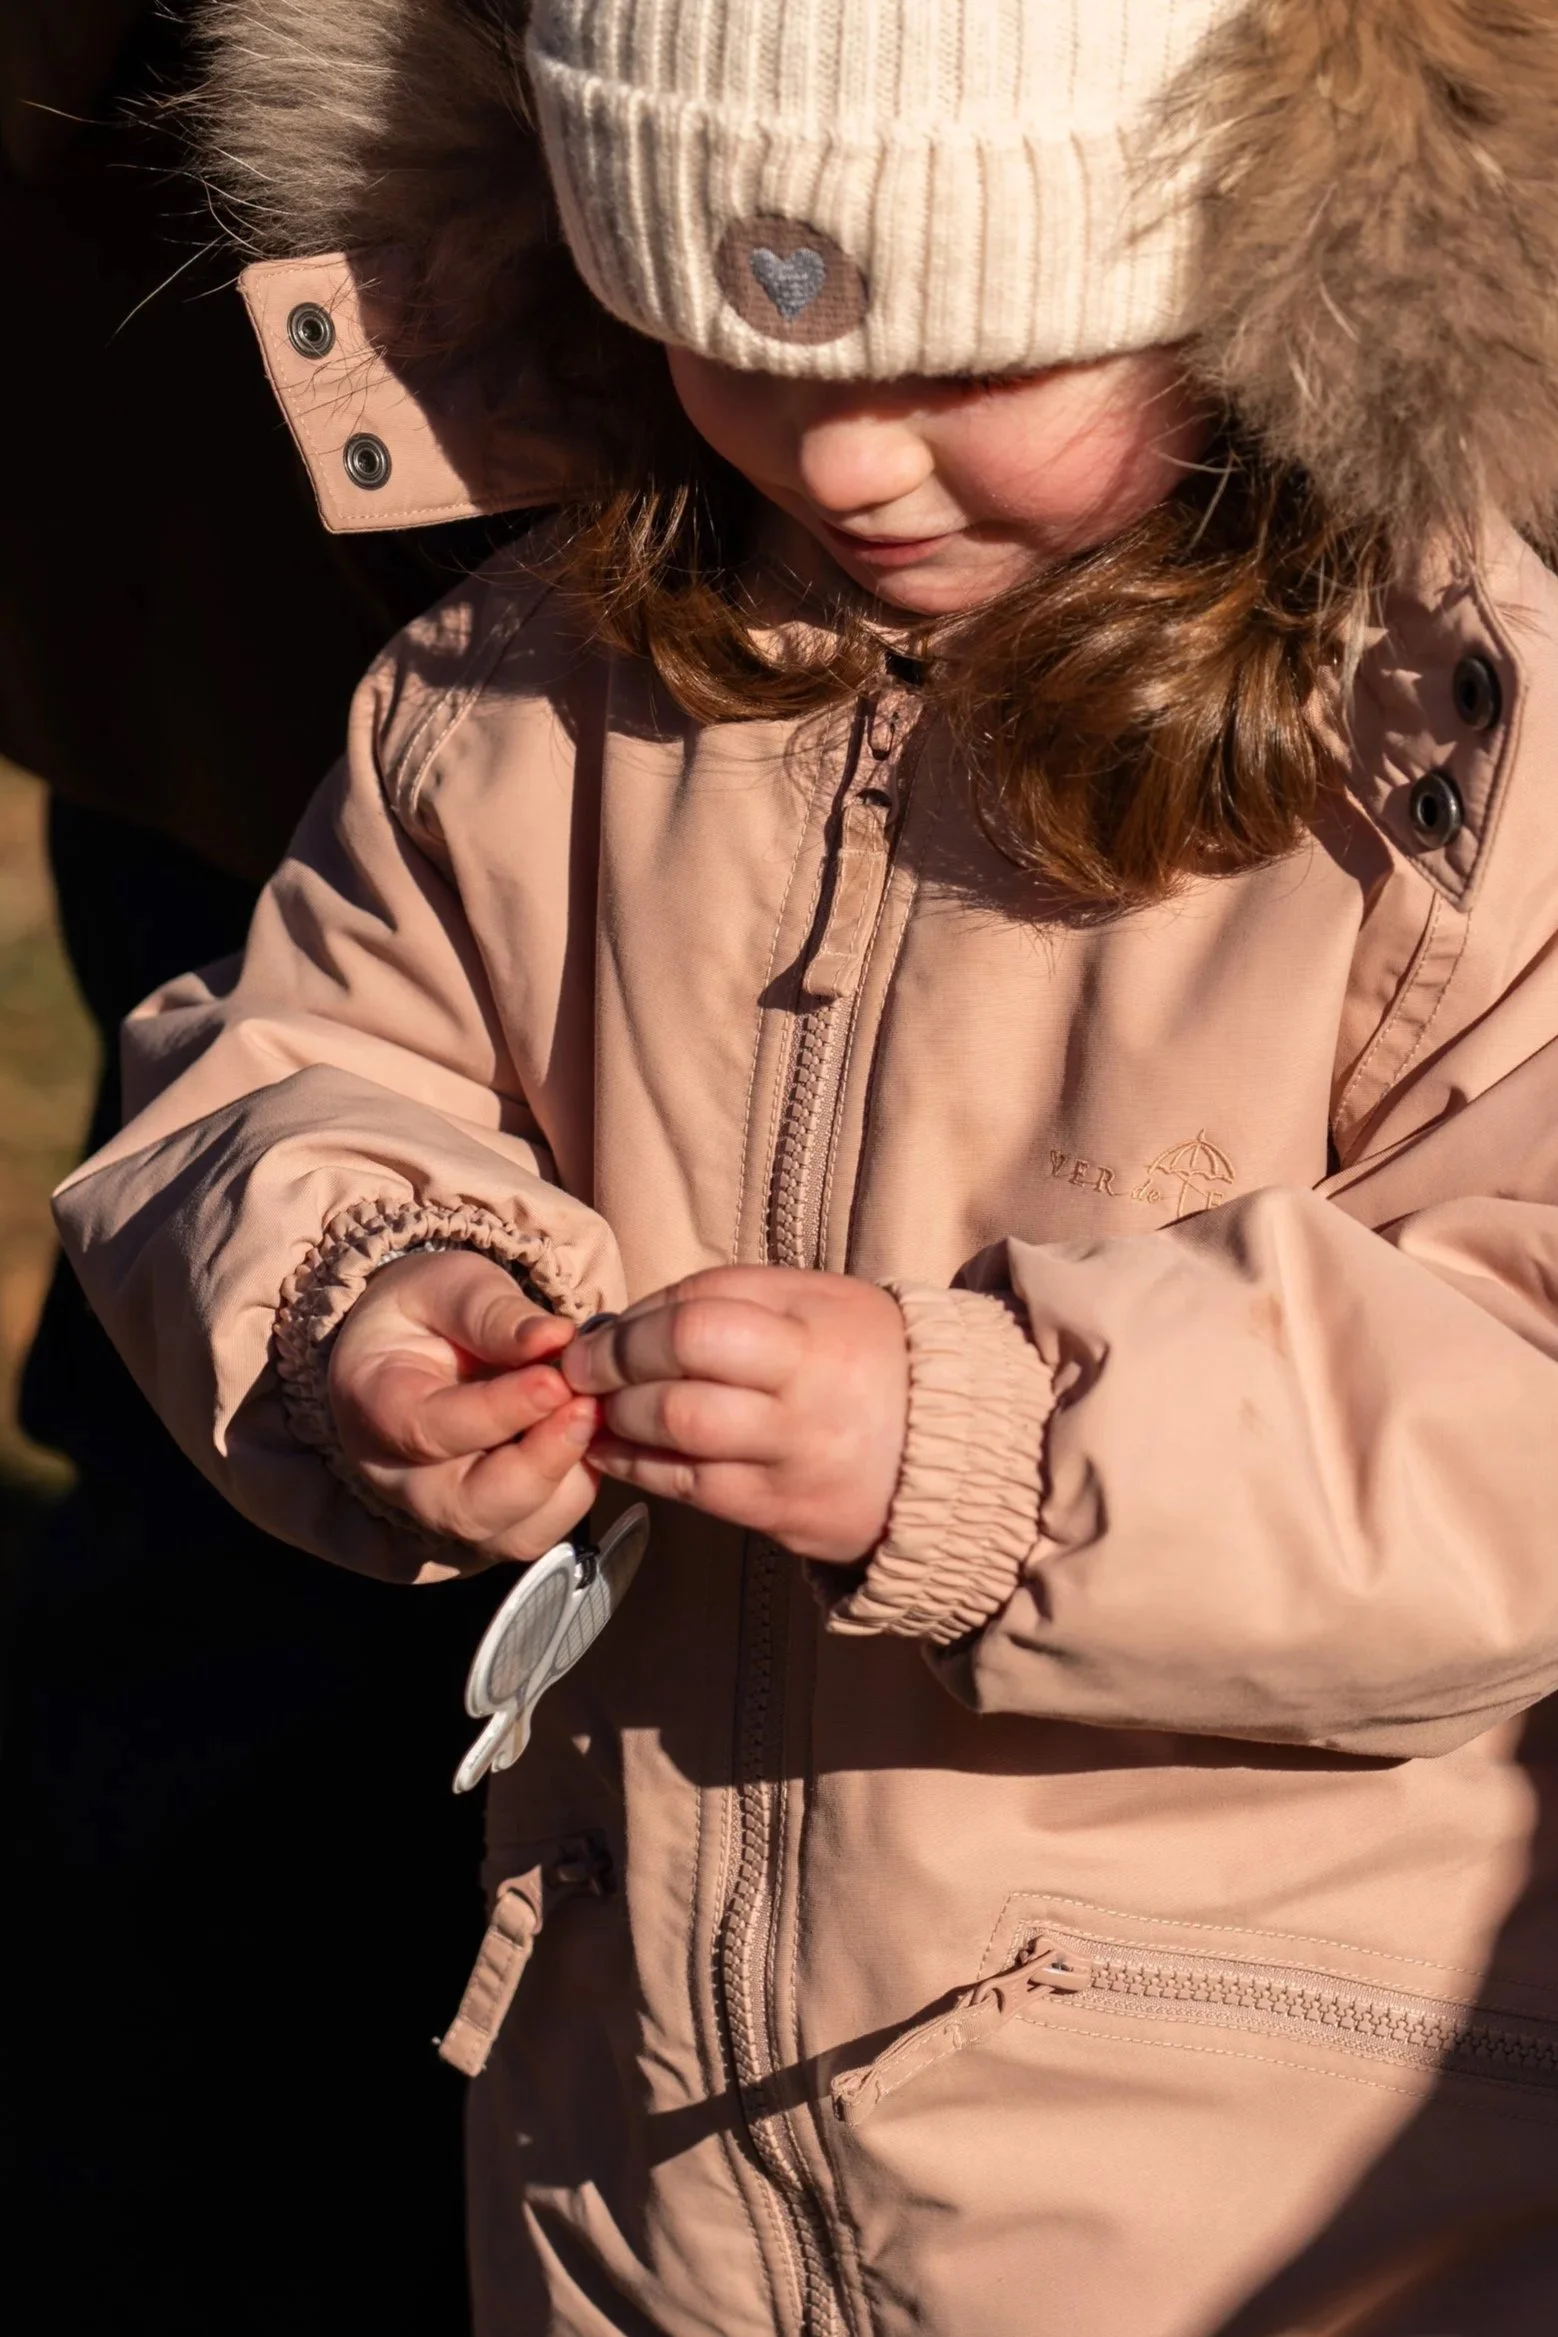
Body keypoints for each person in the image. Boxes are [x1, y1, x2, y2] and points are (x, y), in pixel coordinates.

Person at [51, 0, 1558, 2329]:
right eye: (738, 336)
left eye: (966, 363)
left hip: (1272, 2194)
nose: (846, 461)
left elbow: (1513, 1382)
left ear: (1238, 266)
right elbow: (289, 1057)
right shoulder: (517, 685)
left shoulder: (1444, 749)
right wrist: (371, 1273)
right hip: (632, 2146)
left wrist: (975, 1438)